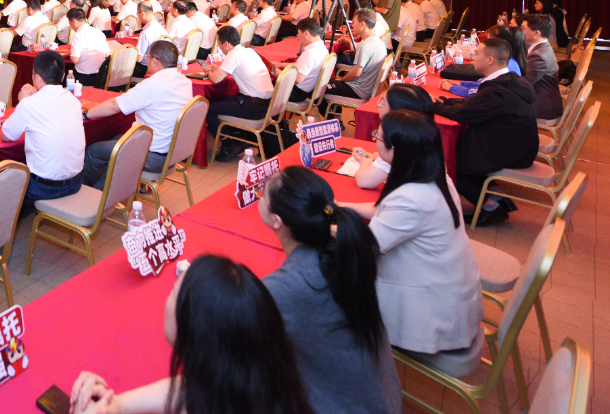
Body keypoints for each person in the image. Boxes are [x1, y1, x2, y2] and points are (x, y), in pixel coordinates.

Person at [69, 255, 313, 414]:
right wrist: (117, 405)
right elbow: (192, 388)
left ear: (195, 329)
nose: (167, 297)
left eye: (174, 292)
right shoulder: (255, 380)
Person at [340, 111, 484, 374]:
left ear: (395, 148)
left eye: (377, 137)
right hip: (450, 294)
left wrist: (320, 223)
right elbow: (387, 212)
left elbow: (364, 246)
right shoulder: (434, 174)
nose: (374, 140)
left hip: (431, 316)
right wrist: (342, 206)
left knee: (337, 287)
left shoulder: (411, 197)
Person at [259, 167, 402, 414]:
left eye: (263, 195)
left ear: (277, 221)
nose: (260, 195)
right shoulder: (346, 249)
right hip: (381, 398)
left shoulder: (287, 287)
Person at [435, 37, 538, 224]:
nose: (472, 56)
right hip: (519, 145)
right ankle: (499, 198)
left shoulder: (497, 90)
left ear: (490, 60)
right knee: (462, 153)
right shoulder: (509, 80)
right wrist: (447, 101)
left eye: (476, 53)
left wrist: (432, 106)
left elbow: (465, 114)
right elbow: (475, 105)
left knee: (448, 164)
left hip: (510, 151)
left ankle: (490, 208)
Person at [84, 41, 192, 189]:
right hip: (172, 152)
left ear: (155, 61)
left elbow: (114, 106)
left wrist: (87, 114)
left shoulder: (152, 85)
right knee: (115, 138)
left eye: (148, 57)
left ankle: (95, 194)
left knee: (93, 151)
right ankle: (112, 184)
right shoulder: (185, 81)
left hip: (151, 154)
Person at [1, 50, 85, 212]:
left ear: (38, 78)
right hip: (76, 182)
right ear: (62, 77)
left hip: (44, 188)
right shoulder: (74, 101)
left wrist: (22, 102)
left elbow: (6, 135)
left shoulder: (29, 104)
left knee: (0, 185)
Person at [203, 25, 275, 161]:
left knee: (207, 108)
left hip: (253, 107)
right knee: (222, 100)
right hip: (265, 105)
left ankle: (228, 144)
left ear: (226, 44)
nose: (220, 48)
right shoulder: (249, 50)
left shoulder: (233, 54)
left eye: (219, 44)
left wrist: (208, 71)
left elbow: (216, 79)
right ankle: (237, 139)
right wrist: (218, 69)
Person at [351, 83, 435, 189]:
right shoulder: (421, 132)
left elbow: (363, 181)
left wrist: (364, 162)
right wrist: (373, 155)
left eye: (382, 102)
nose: (378, 105)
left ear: (396, 111)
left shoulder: (400, 141)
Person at [321, 9, 387, 108]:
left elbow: (355, 74)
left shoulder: (364, 46)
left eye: (354, 22)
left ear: (362, 24)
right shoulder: (379, 42)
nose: (352, 25)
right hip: (366, 88)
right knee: (329, 83)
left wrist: (342, 79)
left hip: (357, 90)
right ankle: (336, 116)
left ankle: (332, 117)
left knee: (318, 88)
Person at [523, 14, 564, 120]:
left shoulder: (539, 55)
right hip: (540, 97)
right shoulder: (542, 47)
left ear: (537, 33)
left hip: (541, 106)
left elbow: (523, 83)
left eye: (523, 28)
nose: (520, 31)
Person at [286, 19, 329, 103]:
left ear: (306, 33)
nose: (298, 38)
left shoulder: (310, 53)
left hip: (295, 93)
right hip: (306, 91)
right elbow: (304, 65)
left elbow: (297, 79)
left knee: (266, 89)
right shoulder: (323, 49)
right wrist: (280, 65)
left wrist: (275, 71)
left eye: (299, 34)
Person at [67, 8, 110, 87]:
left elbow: (75, 60)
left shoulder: (77, 35)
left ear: (74, 21)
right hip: (100, 76)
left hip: (84, 76)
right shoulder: (99, 32)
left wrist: (71, 54)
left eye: (70, 23)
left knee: (66, 72)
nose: (71, 27)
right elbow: (107, 54)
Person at [132, 3, 167, 77]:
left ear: (143, 13)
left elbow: (138, 59)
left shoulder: (145, 32)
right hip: (160, 66)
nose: (138, 16)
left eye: (138, 13)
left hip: (145, 69)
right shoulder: (162, 29)